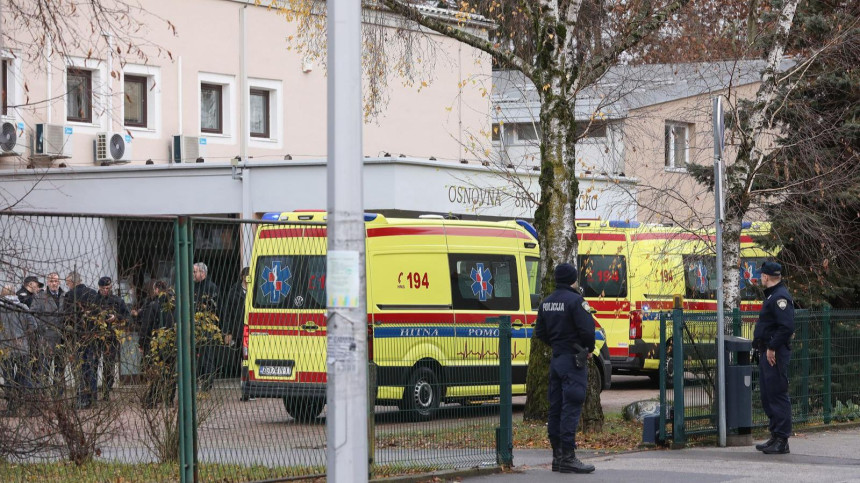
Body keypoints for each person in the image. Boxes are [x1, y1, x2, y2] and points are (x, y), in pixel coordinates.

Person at [534, 263, 596, 474]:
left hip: (557, 360)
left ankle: (557, 457)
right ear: (573, 279)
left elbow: (540, 332)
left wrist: (557, 345)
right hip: (573, 361)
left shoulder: (546, 303)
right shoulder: (577, 301)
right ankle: (568, 457)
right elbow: (588, 330)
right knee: (571, 406)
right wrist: (588, 348)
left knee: (556, 408)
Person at [753, 261, 795, 455]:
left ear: (766, 277)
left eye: (762, 275)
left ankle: (782, 439)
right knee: (768, 395)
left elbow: (786, 327)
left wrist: (771, 347)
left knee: (777, 394)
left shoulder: (780, 298)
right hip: (767, 352)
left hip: (775, 354)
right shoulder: (773, 296)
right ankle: (775, 435)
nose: (761, 277)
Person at [90, 276, 130, 402]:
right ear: (99, 288)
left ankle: (106, 392)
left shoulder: (117, 301)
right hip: (96, 337)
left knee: (109, 366)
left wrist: (116, 317)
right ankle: (93, 393)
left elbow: (127, 317)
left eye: (108, 288)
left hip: (111, 338)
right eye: (103, 288)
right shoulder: (93, 301)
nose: (106, 290)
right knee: (93, 365)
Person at [137, 280, 176, 407]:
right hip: (172, 343)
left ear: (157, 290)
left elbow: (146, 326)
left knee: (155, 372)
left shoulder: (153, 305)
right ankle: (169, 400)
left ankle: (152, 399)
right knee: (170, 372)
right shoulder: (175, 305)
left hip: (155, 344)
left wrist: (142, 343)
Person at [1, 285, 37, 416]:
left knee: (8, 379)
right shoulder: (23, 307)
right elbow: (34, 326)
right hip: (22, 348)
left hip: (5, 350)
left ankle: (12, 408)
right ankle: (33, 407)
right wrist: (23, 336)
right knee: (25, 377)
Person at [64, 271, 98, 409]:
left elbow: (67, 318)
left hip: (77, 336)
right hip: (92, 335)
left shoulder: (69, 295)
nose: (67, 286)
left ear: (72, 282)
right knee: (91, 366)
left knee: (80, 368)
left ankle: (82, 399)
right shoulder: (93, 294)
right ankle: (93, 398)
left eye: (67, 283)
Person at [31, 272, 67, 395]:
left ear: (59, 282)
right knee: (45, 367)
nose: (54, 283)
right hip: (46, 337)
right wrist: (42, 328)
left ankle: (58, 395)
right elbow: (33, 314)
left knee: (60, 367)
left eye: (56, 281)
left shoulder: (64, 296)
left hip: (61, 338)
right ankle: (43, 394)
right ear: (47, 282)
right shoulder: (40, 296)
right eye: (51, 281)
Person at [193, 262, 219, 391]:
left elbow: (213, 308)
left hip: (206, 328)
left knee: (207, 357)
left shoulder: (211, 287)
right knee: (194, 358)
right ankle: (195, 384)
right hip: (194, 328)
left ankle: (207, 386)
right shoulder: (192, 287)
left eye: (194, 272)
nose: (192, 274)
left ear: (202, 273)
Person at [220, 266, 249, 377]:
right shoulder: (234, 291)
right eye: (246, 276)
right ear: (242, 276)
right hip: (237, 327)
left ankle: (249, 375)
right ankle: (238, 375)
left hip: (250, 327)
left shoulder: (254, 289)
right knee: (238, 353)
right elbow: (228, 311)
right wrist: (227, 331)